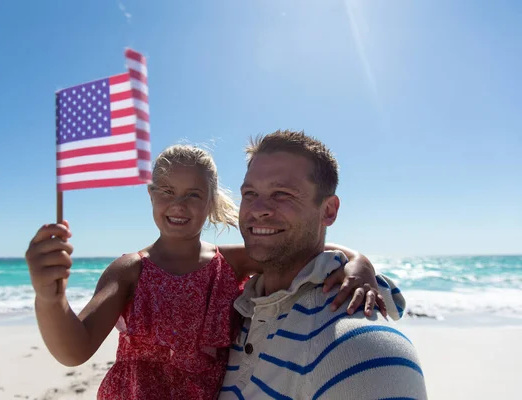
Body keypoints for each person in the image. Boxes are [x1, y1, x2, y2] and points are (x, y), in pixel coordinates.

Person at [25, 144, 401, 400]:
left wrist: (360, 264)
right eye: (167, 191)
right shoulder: (130, 270)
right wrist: (49, 297)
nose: (179, 204)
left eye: (193, 194)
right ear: (151, 195)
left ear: (211, 201)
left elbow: (311, 248)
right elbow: (75, 350)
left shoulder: (230, 262)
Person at [219, 130, 427, 399]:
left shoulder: (361, 349)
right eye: (249, 193)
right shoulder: (238, 312)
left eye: (281, 194)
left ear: (328, 210)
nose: (258, 208)